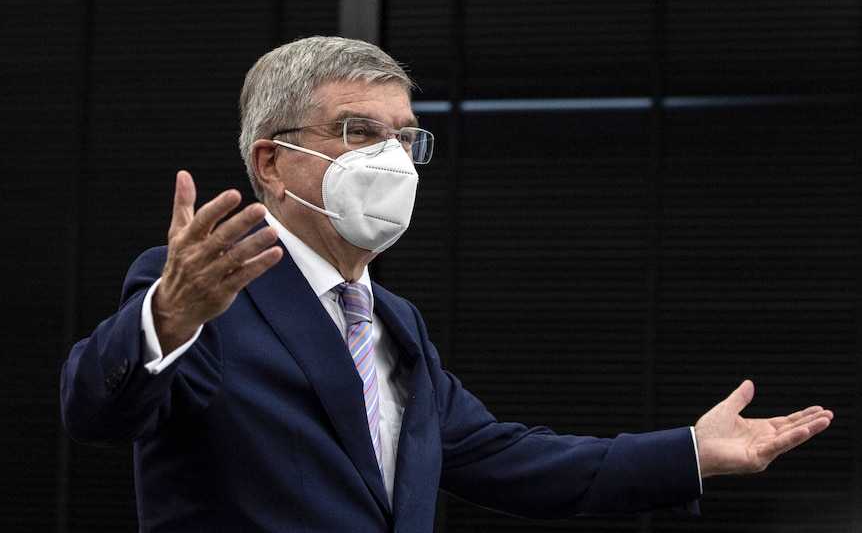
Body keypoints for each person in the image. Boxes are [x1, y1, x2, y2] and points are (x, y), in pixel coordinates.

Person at [60, 36, 833, 532]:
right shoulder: (208, 300)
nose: (392, 159)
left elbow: (510, 460)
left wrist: (689, 452)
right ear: (271, 162)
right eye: (360, 132)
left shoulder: (395, 323)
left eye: (404, 136)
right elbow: (96, 407)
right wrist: (167, 315)